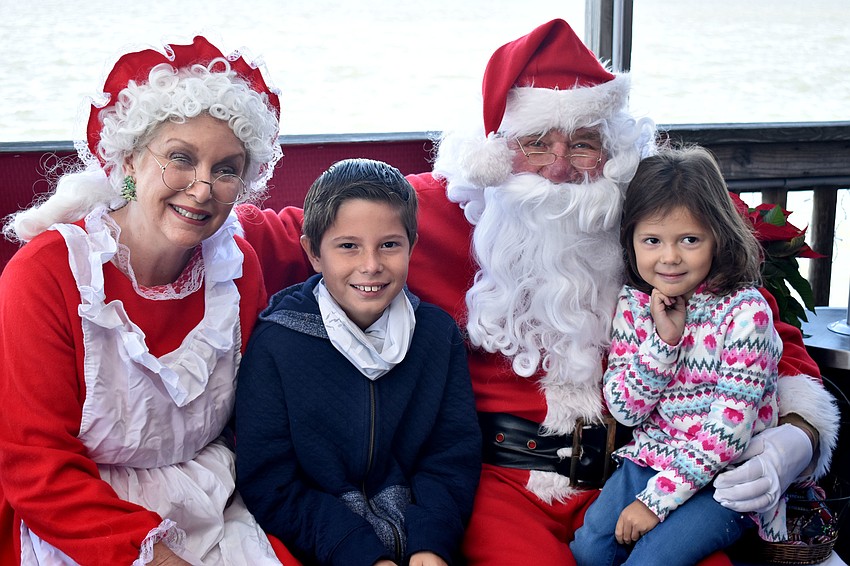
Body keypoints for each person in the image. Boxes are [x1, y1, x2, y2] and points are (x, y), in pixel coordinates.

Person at [236, 18, 840, 566]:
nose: (559, 167)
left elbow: (758, 325)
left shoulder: (653, 224)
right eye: (535, 144)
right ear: (497, 154)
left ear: (613, 153)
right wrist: (169, 206)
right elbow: (280, 235)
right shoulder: (427, 215)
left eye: (582, 143)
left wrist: (795, 437)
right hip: (502, 485)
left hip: (651, 474)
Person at [0, 37, 298, 565]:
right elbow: (35, 466)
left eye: (227, 169)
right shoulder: (49, 274)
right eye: (180, 158)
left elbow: (256, 426)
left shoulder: (237, 270)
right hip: (84, 523)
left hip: (213, 504)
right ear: (131, 160)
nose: (203, 188)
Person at [234, 158, 481, 566]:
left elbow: (451, 455)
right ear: (314, 253)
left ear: (411, 246)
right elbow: (270, 482)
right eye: (348, 246)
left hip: (425, 532)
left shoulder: (436, 335)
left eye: (389, 244)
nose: (371, 265)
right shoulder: (277, 343)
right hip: (323, 541)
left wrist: (431, 542)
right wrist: (359, 552)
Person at [570, 146, 786, 566]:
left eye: (689, 240)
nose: (669, 257)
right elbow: (626, 411)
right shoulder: (634, 307)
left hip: (727, 479)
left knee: (652, 559)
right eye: (652, 240)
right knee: (591, 550)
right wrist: (663, 345)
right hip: (651, 457)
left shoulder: (745, 313)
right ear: (630, 241)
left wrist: (655, 502)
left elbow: (730, 432)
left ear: (717, 237)